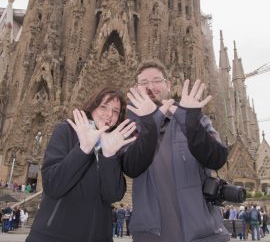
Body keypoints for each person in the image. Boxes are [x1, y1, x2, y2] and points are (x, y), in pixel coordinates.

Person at [26, 86, 158, 242]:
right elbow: (52, 185)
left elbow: (113, 195)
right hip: (53, 236)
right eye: (103, 107)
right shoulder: (67, 131)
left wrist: (109, 156)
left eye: (116, 111)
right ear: (92, 107)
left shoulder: (113, 144)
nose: (109, 115)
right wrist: (83, 149)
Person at [123, 60, 230, 242]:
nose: (150, 86)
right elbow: (131, 167)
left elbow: (217, 158)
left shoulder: (194, 118)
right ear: (136, 88)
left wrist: (191, 121)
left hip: (201, 233)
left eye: (157, 80)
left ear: (169, 85)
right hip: (152, 235)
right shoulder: (130, 127)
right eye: (143, 82)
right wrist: (150, 122)